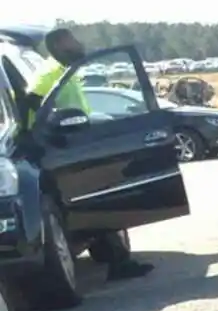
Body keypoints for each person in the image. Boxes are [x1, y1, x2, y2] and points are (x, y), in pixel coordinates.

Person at [30, 29, 152, 282]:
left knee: (102, 201)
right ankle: (118, 262)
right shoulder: (48, 75)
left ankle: (118, 260)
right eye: (72, 41)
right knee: (98, 203)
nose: (79, 44)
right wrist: (51, 130)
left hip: (78, 141)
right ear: (60, 45)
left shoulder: (65, 70)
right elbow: (32, 106)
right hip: (60, 147)